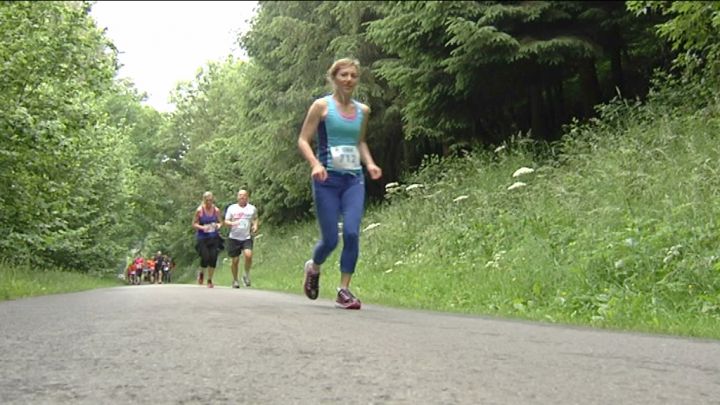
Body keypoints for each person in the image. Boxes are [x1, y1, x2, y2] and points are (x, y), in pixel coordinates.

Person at [296, 58, 382, 310]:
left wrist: (370, 164)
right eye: (343, 75)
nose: (348, 80)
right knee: (331, 240)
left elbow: (360, 141)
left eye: (353, 76)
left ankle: (344, 290)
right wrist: (315, 164)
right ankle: (314, 266)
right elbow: (303, 140)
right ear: (334, 78)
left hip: (354, 180)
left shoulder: (363, 111)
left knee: (353, 233)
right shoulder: (321, 107)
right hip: (326, 181)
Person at [224, 189, 259, 288]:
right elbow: (226, 221)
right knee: (235, 260)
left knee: (248, 255)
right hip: (234, 237)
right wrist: (232, 223)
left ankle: (246, 275)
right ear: (237, 197)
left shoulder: (251, 208)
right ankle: (235, 280)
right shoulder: (232, 208)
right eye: (240, 195)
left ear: (247, 197)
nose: (242, 197)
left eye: (244, 195)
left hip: (246, 237)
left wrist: (255, 226)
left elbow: (255, 218)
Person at [192, 191, 223, 288]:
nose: (209, 202)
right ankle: (201, 272)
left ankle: (209, 280)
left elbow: (221, 222)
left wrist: (217, 225)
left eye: (211, 200)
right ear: (204, 200)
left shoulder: (216, 210)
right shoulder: (199, 210)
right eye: (207, 200)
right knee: (205, 257)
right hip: (202, 238)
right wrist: (202, 228)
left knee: (213, 258)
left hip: (213, 237)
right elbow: (194, 223)